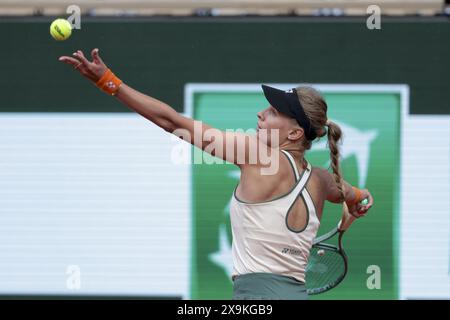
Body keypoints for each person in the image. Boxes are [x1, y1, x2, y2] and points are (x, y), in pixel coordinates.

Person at [59, 49, 374, 300]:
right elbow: (356, 197)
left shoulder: (257, 155)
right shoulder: (321, 180)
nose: (260, 114)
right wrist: (357, 201)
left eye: (273, 112)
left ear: (293, 134)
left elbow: (173, 122)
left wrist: (108, 81)